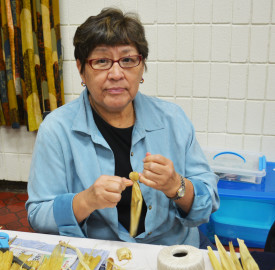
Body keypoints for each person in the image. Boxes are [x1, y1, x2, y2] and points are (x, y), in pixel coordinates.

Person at [26, 7, 220, 249]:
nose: (116, 74)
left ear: (141, 67)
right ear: (81, 69)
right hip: (98, 256)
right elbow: (38, 216)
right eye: (101, 61)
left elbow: (208, 201)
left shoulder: (173, 119)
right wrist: (85, 201)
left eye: (128, 60)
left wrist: (177, 186)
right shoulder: (56, 129)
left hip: (171, 252)